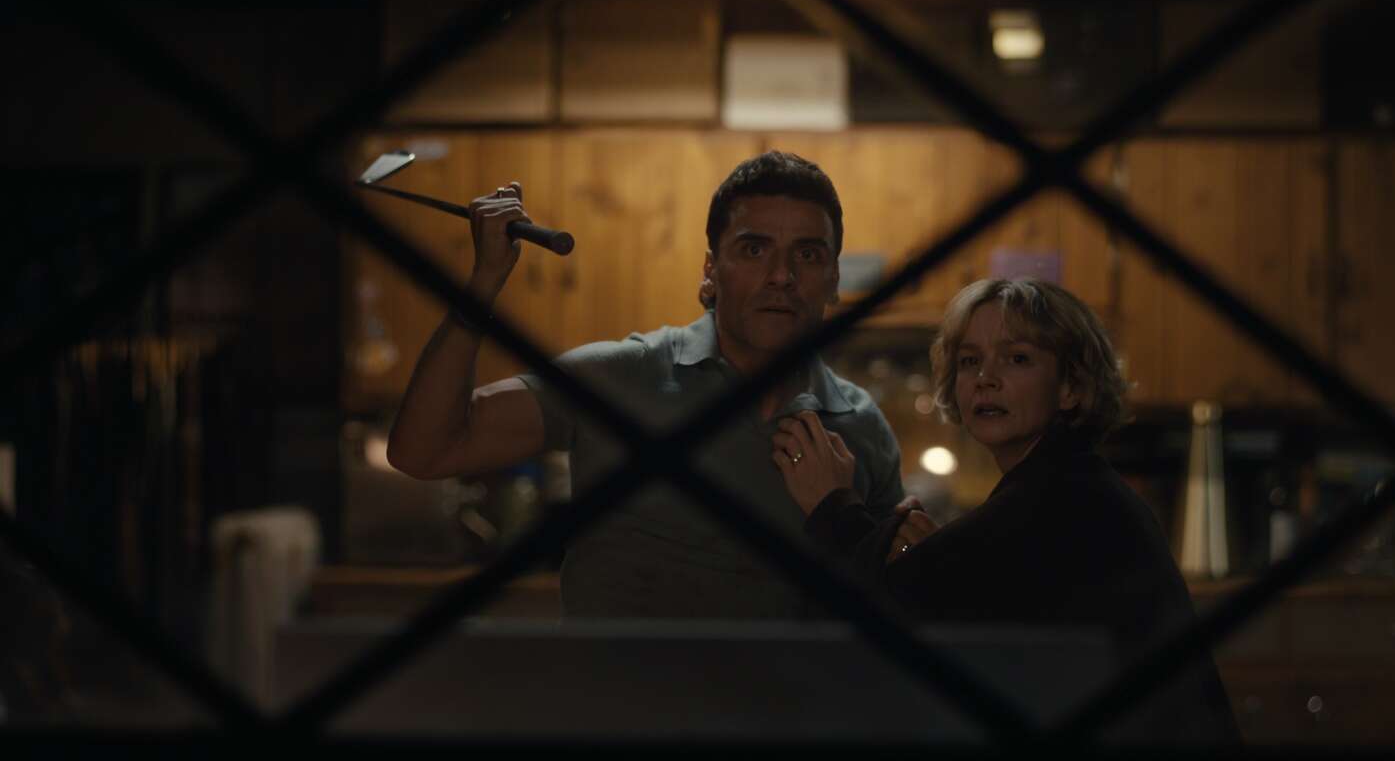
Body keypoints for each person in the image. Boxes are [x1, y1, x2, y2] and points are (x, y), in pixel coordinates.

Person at [386, 150, 905, 619]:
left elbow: (897, 606)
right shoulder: (616, 377)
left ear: (833, 279)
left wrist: (841, 512)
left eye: (808, 255)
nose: (782, 275)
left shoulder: (862, 426)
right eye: (754, 250)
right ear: (710, 271)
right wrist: (483, 281)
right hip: (622, 696)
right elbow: (424, 451)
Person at [769, 278, 1239, 743]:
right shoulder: (1068, 483)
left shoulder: (1061, 498)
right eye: (969, 361)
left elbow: (879, 619)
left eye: (1017, 359)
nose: (985, 378)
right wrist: (930, 559)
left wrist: (832, 505)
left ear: (1071, 386)